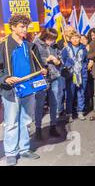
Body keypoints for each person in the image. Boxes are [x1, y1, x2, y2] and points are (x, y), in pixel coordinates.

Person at [0, 14, 45, 166]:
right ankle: (11, 153)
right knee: (11, 122)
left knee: (26, 120)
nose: (25, 29)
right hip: (11, 90)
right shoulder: (3, 45)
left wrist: (42, 70)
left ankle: (24, 148)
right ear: (12, 27)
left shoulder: (30, 45)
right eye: (21, 26)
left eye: (26, 26)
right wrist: (5, 78)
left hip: (28, 88)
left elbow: (38, 64)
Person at [33, 28, 63, 139]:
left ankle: (53, 126)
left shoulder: (55, 46)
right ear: (45, 36)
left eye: (53, 39)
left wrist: (57, 61)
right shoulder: (36, 45)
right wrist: (46, 60)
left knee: (54, 103)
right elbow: (33, 61)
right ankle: (38, 128)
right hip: (41, 78)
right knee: (40, 104)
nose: (51, 41)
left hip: (54, 76)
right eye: (50, 39)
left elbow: (60, 60)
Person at [61, 30, 88, 121]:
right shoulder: (66, 49)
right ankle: (69, 113)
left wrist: (83, 69)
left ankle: (80, 112)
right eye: (73, 38)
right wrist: (69, 65)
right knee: (70, 94)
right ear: (70, 39)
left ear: (80, 39)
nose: (75, 40)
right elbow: (63, 60)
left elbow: (85, 61)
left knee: (81, 93)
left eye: (77, 38)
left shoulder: (83, 48)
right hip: (71, 74)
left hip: (81, 74)